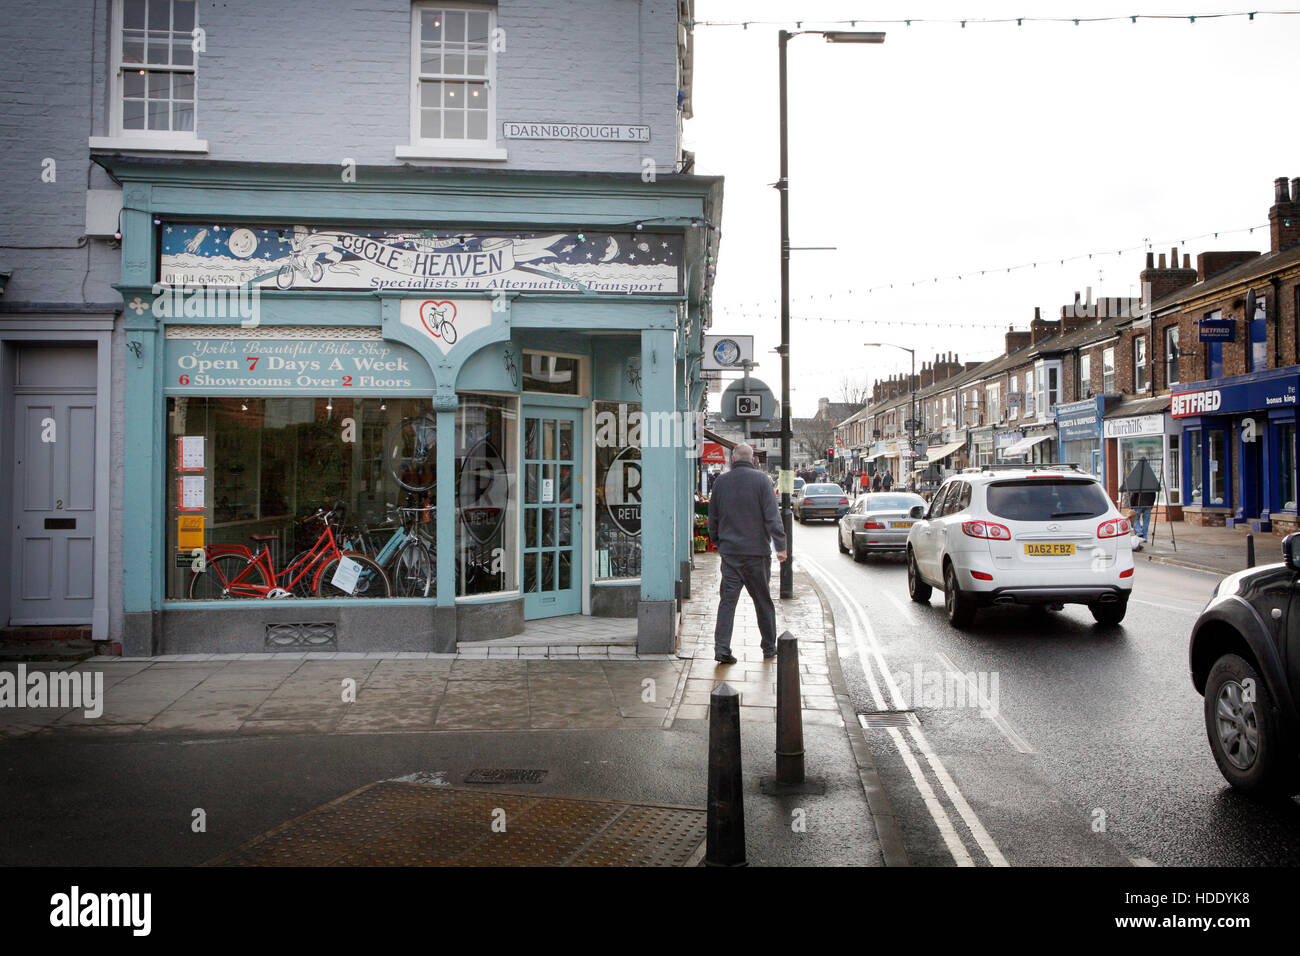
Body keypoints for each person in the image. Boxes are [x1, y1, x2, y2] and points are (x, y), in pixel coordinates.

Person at [707, 443, 787, 664]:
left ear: (733, 459)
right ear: (753, 460)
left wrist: (719, 542)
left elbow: (712, 518)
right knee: (762, 601)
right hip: (757, 555)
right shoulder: (763, 481)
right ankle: (769, 648)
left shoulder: (721, 482)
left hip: (730, 554)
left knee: (727, 602)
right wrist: (780, 545)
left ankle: (722, 649)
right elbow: (772, 517)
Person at [1121, 457, 1159, 549]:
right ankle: (1144, 537)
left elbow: (1134, 495)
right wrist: (1151, 504)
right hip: (1148, 505)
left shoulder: (1138, 483)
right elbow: (1154, 495)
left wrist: (1132, 505)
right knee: (1146, 521)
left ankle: (1139, 532)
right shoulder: (1150, 483)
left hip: (1138, 504)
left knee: (1135, 519)